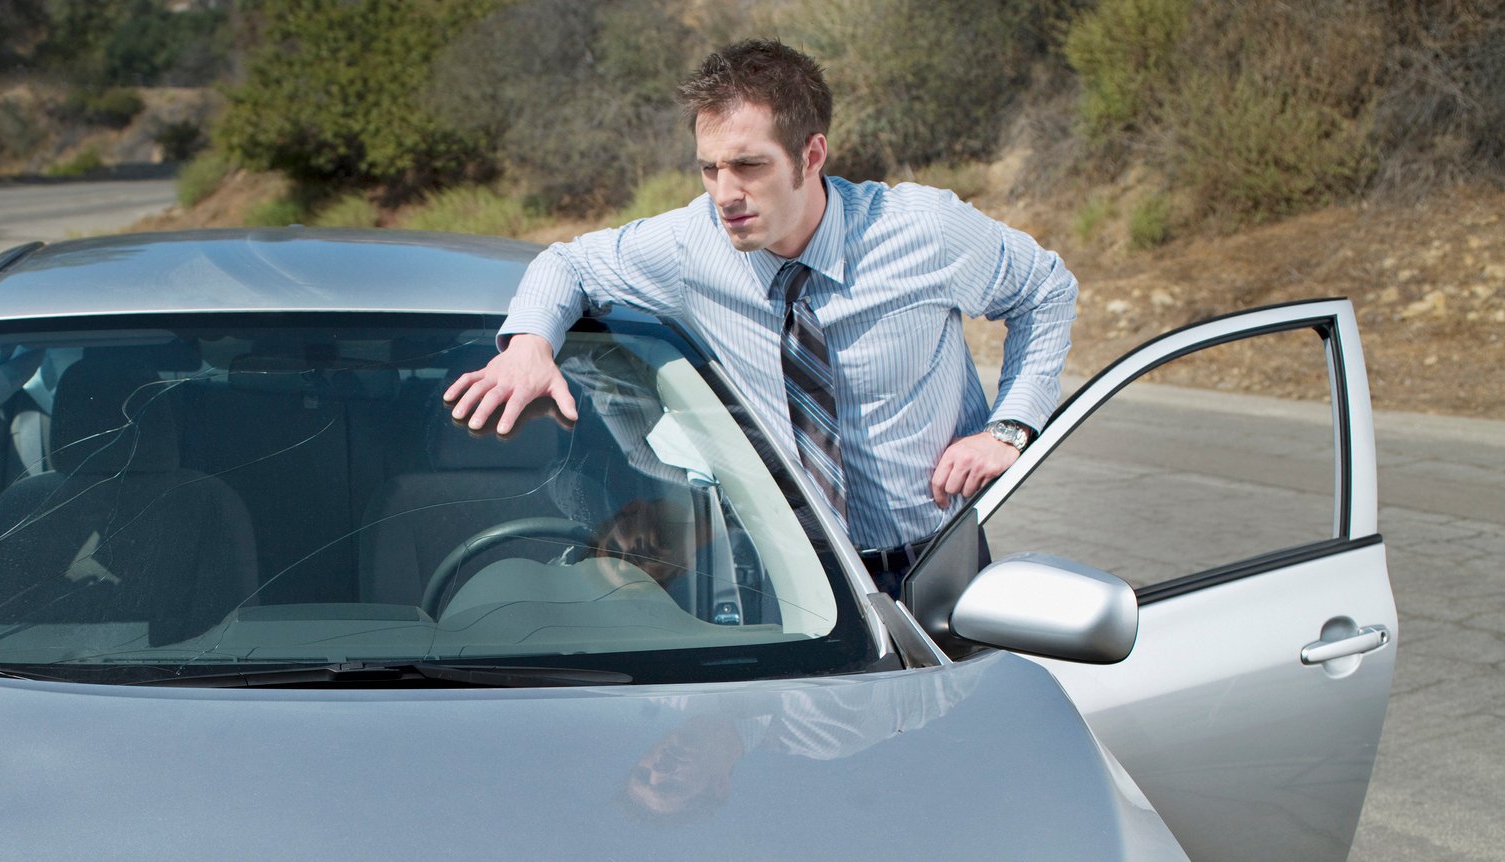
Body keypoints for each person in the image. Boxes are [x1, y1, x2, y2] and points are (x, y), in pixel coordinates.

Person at [444, 38, 1078, 596]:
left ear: (811, 155)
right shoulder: (693, 244)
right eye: (709, 169)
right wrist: (529, 344)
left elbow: (1046, 291)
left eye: (749, 165)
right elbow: (570, 264)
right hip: (785, 580)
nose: (725, 194)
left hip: (936, 564)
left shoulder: (924, 230)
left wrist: (1010, 429)